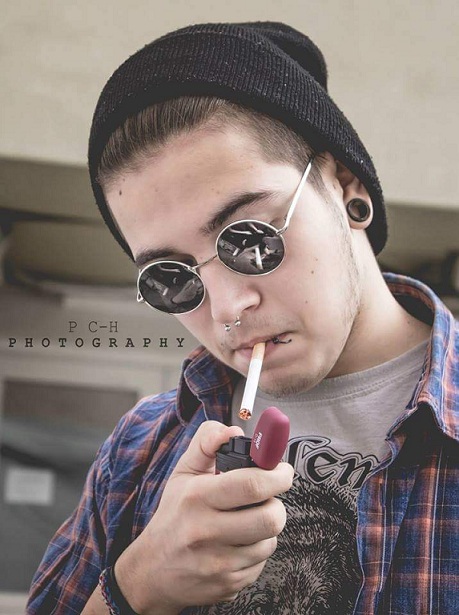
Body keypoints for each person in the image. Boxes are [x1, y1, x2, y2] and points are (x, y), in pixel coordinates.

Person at [26, 21, 459, 615]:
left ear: (346, 187)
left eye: (250, 240)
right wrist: (138, 585)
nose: (230, 307)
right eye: (172, 278)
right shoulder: (139, 447)